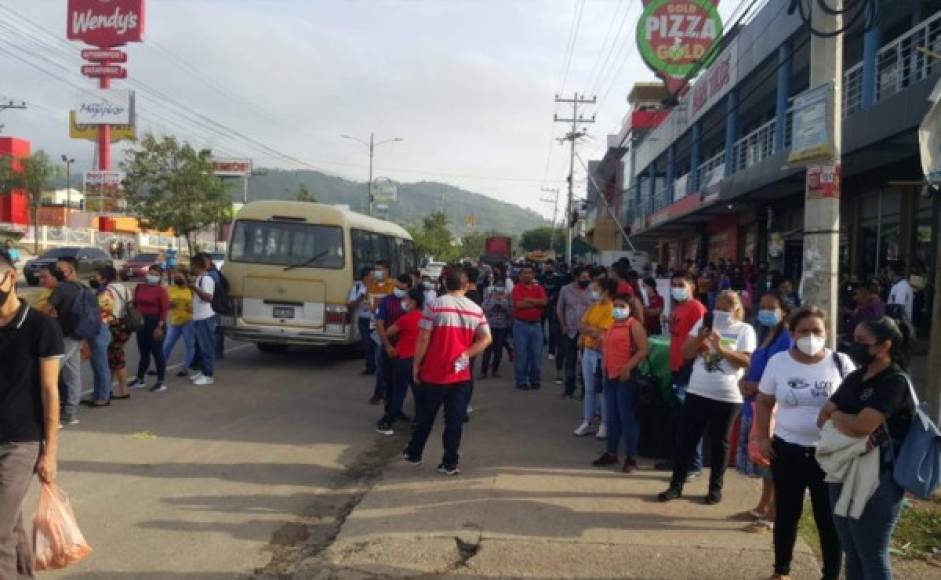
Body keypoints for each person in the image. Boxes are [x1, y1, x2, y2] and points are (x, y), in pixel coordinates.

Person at [755, 307, 854, 580]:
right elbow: (764, 402)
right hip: (787, 450)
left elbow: (856, 403)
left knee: (829, 520)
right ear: (792, 333)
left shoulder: (840, 363)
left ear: (827, 333)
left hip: (830, 454)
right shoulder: (778, 362)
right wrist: (762, 437)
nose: (811, 337)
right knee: (787, 514)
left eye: (817, 331)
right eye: (804, 331)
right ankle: (781, 570)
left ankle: (831, 574)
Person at [818, 317, 915, 580]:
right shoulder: (856, 377)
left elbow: (862, 425)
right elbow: (822, 416)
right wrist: (844, 419)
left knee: (872, 553)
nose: (854, 345)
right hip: (842, 470)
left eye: (862, 341)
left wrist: (838, 416)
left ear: (885, 345)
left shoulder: (894, 382)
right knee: (852, 551)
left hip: (877, 478)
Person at [659, 289, 756, 504]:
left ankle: (715, 489)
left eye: (726, 309)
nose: (721, 312)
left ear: (736, 310)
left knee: (719, 442)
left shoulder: (744, 330)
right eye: (718, 308)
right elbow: (686, 353)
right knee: (686, 439)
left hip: (728, 395)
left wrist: (721, 346)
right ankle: (676, 486)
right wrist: (701, 337)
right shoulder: (703, 325)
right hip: (698, 390)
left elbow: (746, 362)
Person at [0, 249, 63, 579]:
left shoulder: (41, 327)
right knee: (8, 527)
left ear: (10, 278)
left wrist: (49, 452)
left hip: (20, 443)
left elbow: (50, 392)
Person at [404, 267, 492, 475]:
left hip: (434, 372)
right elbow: (487, 338)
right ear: (466, 285)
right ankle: (450, 462)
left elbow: (424, 337)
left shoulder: (435, 305)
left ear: (444, 284)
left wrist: (416, 364)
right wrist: (466, 354)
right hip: (461, 375)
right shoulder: (475, 309)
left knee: (426, 415)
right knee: (454, 420)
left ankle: (415, 453)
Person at [736, 291, 793, 532]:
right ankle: (762, 504)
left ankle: (773, 514)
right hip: (755, 404)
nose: (767, 311)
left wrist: (757, 385)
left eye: (773, 307)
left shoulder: (786, 339)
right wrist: (745, 381)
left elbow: (784, 374)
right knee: (762, 461)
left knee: (772, 462)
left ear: (784, 312)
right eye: (764, 306)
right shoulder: (766, 334)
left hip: (772, 407)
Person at [655, 273, 707, 475]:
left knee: (691, 419)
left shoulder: (697, 309)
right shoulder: (678, 307)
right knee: (678, 418)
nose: (677, 288)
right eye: (674, 285)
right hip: (676, 368)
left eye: (681, 285)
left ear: (692, 286)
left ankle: (694, 464)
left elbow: (702, 339)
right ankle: (678, 458)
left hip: (689, 368)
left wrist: (689, 363)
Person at [592, 291, 649, 472]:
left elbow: (642, 350)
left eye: (621, 306)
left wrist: (627, 367)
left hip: (626, 377)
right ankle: (611, 453)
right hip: (610, 376)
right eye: (615, 306)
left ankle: (631, 458)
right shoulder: (612, 325)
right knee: (612, 417)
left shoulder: (634, 326)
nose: (617, 309)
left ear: (630, 309)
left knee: (627, 419)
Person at [376, 287, 425, 436]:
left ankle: (387, 421)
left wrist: (389, 345)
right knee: (419, 394)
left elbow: (389, 331)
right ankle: (419, 422)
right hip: (419, 361)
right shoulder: (426, 318)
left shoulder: (407, 318)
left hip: (403, 359)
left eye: (407, 299)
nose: (404, 302)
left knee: (398, 392)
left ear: (414, 302)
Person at [574, 278, 616, 437]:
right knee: (589, 389)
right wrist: (591, 330)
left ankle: (604, 424)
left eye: (597, 289)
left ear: (606, 291)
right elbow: (581, 325)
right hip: (588, 351)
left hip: (601, 354)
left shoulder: (611, 308)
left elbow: (602, 333)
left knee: (602, 390)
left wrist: (589, 330)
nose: (594, 292)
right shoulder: (594, 306)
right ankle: (587, 420)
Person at [47, 257, 85, 427]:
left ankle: (53, 416)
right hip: (78, 334)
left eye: (60, 269)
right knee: (73, 374)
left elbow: (45, 309)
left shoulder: (61, 288)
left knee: (50, 373)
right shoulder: (81, 287)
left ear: (70, 270)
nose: (57, 271)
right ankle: (70, 413)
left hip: (66, 334)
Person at [376, 273, 414, 418]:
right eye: (396, 286)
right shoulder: (386, 301)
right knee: (390, 381)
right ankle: (389, 412)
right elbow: (380, 323)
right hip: (390, 346)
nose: (397, 289)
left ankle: (397, 410)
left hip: (406, 349)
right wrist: (386, 345)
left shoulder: (412, 303)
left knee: (403, 383)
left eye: (400, 287)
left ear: (408, 288)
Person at [556, 266, 595, 397]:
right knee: (570, 360)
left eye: (588, 277)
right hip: (570, 329)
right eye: (583, 277)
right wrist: (563, 325)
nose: (586, 280)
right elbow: (559, 309)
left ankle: (585, 390)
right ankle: (569, 389)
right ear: (576, 277)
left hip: (587, 331)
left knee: (586, 361)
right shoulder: (565, 290)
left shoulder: (593, 290)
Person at [129, 265, 169, 392]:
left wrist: (160, 327)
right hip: (141, 323)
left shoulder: (161, 291)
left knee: (157, 353)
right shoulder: (140, 287)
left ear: (160, 277)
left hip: (155, 322)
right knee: (144, 353)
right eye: (151, 273)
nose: (152, 276)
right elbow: (134, 304)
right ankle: (140, 379)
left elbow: (164, 311)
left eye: (156, 274)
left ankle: (160, 381)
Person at [510, 264, 547, 391]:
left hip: (536, 325)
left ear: (533, 274)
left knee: (536, 355)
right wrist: (536, 302)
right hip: (520, 325)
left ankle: (535, 380)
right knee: (521, 355)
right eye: (524, 273)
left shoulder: (539, 288)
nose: (527, 275)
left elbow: (544, 302)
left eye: (530, 272)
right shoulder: (516, 288)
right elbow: (519, 304)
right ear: (520, 276)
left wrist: (529, 300)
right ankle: (521, 381)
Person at [99, 265, 132, 400]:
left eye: (98, 276)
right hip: (125, 325)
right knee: (113, 357)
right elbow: (130, 305)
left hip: (113, 326)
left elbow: (104, 312)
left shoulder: (106, 291)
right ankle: (109, 388)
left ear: (104, 277)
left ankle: (123, 390)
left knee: (116, 358)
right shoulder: (125, 289)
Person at [368, 260, 395, 404]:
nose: (376, 272)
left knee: (381, 363)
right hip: (373, 327)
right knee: (379, 362)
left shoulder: (392, 286)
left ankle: (380, 392)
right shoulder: (371, 285)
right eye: (375, 269)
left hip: (386, 329)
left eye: (379, 269)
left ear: (386, 271)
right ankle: (382, 391)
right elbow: (370, 305)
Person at [86, 269, 114, 406]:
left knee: (102, 366)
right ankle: (97, 394)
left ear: (103, 279)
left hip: (100, 329)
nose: (92, 278)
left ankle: (104, 396)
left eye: (95, 276)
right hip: (95, 329)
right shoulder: (99, 292)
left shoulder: (105, 293)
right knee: (96, 366)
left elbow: (101, 311)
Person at [480, 266, 513, 379]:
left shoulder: (508, 295)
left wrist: (502, 303)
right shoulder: (489, 293)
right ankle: (484, 371)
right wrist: (494, 301)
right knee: (487, 349)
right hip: (489, 325)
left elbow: (510, 311)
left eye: (501, 285)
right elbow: (484, 309)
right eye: (497, 286)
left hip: (502, 326)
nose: (499, 289)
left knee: (498, 350)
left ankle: (495, 370)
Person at [163, 266, 196, 378]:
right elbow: (166, 305)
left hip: (188, 322)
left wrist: (190, 308)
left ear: (186, 277)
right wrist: (170, 305)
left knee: (189, 346)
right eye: (175, 276)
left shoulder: (191, 290)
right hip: (175, 322)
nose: (176, 278)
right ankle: (161, 366)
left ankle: (185, 368)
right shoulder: (171, 289)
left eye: (179, 276)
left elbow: (197, 307)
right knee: (167, 345)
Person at [189, 255, 216, 386]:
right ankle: (203, 371)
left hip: (205, 317)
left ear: (197, 265)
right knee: (200, 347)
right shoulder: (199, 278)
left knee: (206, 348)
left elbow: (208, 297)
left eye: (192, 265)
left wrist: (195, 288)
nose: (191, 267)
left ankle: (208, 375)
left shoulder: (206, 279)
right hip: (199, 317)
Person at [349, 267, 376, 375]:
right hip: (363, 320)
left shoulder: (377, 287)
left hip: (375, 320)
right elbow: (351, 305)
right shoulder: (357, 288)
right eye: (372, 275)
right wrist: (361, 296)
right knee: (367, 343)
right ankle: (370, 367)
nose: (374, 277)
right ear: (366, 277)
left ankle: (376, 366)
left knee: (375, 343)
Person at [538, 260, 563, 363]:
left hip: (553, 307)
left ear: (553, 267)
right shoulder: (541, 278)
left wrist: (552, 298)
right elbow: (538, 290)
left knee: (553, 330)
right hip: (541, 306)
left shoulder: (558, 279)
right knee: (539, 329)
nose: (548, 268)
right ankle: (538, 349)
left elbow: (559, 291)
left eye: (550, 267)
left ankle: (551, 351)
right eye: (546, 267)